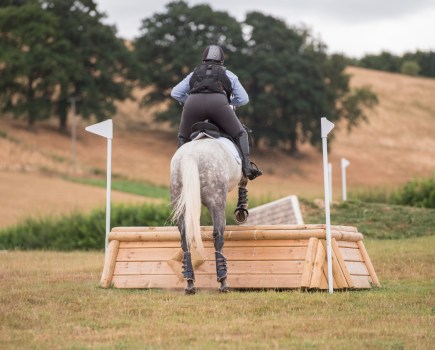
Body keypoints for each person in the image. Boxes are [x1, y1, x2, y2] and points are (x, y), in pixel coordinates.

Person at [170, 45, 262, 180]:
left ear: (203, 60)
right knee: (241, 133)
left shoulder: (194, 73)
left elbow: (175, 93)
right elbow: (243, 99)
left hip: (193, 105)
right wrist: (228, 104)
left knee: (183, 136)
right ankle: (247, 168)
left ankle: (177, 172)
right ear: (222, 61)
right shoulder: (229, 74)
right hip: (218, 105)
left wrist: (188, 101)